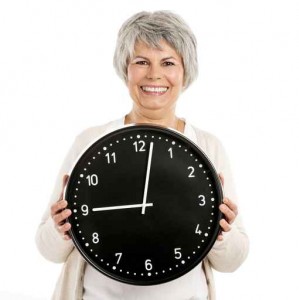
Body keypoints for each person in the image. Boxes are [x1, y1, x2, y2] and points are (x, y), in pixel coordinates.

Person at [35, 10, 249, 300]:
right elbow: (48, 250)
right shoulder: (90, 142)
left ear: (185, 72)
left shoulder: (208, 146)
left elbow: (232, 261)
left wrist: (221, 232)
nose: (154, 74)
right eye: (141, 62)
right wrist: (59, 229)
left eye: (168, 62)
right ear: (126, 69)